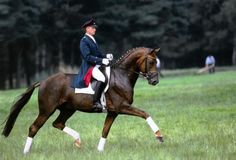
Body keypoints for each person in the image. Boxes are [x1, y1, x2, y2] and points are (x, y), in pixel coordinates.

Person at [75, 19, 113, 111]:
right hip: (89, 67)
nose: (95, 29)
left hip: (96, 65)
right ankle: (96, 102)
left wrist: (106, 56)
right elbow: (87, 57)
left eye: (94, 28)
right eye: (93, 28)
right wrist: (102, 61)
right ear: (87, 29)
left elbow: (98, 54)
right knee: (102, 78)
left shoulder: (92, 39)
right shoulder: (84, 41)